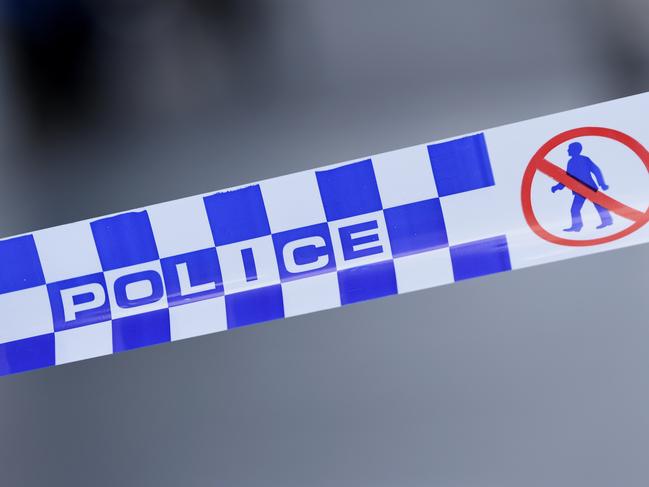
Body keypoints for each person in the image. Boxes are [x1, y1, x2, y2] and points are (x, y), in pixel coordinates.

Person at [551, 142, 613, 232]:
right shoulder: (573, 161)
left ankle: (580, 225)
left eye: (569, 148)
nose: (567, 150)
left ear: (575, 150)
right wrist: (558, 187)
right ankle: (579, 225)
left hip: (587, 188)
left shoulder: (581, 160)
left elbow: (595, 170)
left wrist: (602, 183)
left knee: (581, 208)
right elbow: (567, 177)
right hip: (582, 189)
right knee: (578, 208)